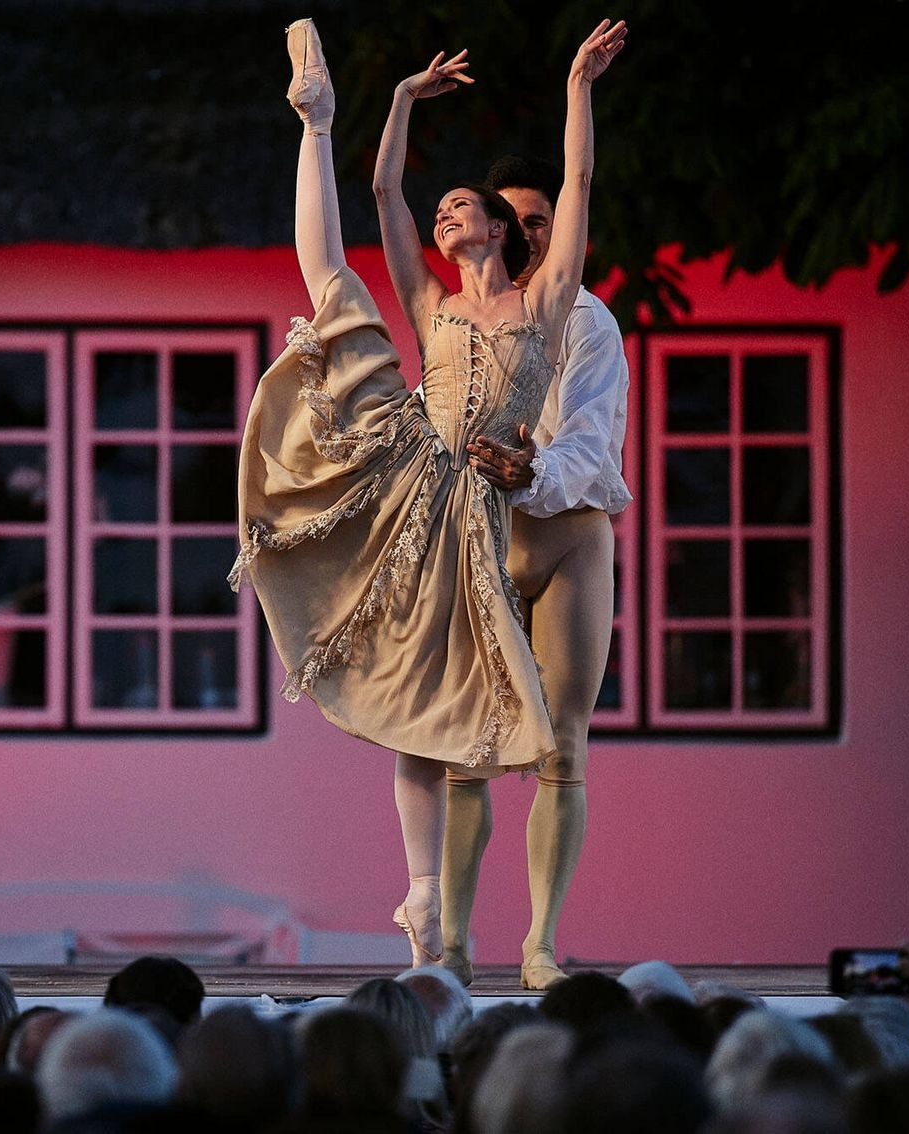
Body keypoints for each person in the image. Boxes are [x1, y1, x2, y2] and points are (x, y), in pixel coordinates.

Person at [233, 17, 626, 971]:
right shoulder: (431, 303)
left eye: (464, 208)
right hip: (426, 483)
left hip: (508, 502)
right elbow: (384, 194)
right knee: (431, 711)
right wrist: (400, 101)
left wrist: (578, 84)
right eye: (442, 209)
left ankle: (522, 937)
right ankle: (430, 908)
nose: (446, 215)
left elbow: (576, 189)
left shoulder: (548, 308)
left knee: (542, 740)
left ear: (500, 228)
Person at [439, 153, 632, 990]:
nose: (526, 235)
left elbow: (591, 443)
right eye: (511, 221)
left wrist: (534, 473)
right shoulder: (457, 320)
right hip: (485, 538)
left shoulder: (587, 319)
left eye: (540, 222)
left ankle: (540, 945)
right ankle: (450, 942)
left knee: (564, 744)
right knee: (462, 749)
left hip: (569, 536)